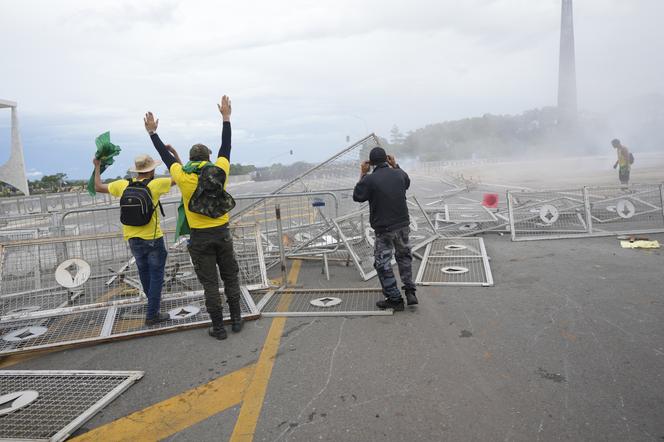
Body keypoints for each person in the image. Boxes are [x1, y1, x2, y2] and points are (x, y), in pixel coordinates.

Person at [145, 95, 243, 340]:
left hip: (199, 238)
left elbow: (167, 159)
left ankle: (218, 328)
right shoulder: (220, 170)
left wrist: (153, 133)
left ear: (189, 160)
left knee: (210, 283)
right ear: (208, 159)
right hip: (222, 233)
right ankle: (237, 320)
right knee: (231, 276)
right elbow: (226, 146)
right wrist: (226, 117)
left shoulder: (183, 177)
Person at [93, 154, 174, 325]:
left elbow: (98, 186)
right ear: (151, 169)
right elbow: (180, 177)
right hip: (152, 238)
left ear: (136, 170)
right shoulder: (156, 184)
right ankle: (153, 314)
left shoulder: (123, 185)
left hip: (132, 238)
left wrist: (97, 166)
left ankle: (153, 306)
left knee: (144, 273)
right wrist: (174, 155)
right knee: (157, 275)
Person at [352, 147, 417, 311]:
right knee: (404, 257)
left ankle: (395, 298)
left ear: (371, 163)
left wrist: (363, 173)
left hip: (384, 229)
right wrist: (395, 165)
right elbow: (407, 182)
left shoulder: (370, 179)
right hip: (403, 225)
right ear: (387, 160)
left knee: (383, 264)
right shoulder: (399, 173)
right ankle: (410, 291)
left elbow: (358, 196)